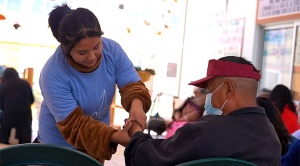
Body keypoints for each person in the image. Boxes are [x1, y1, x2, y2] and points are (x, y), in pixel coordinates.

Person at [36, 3, 151, 164]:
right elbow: (74, 126)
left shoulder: (112, 50)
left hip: (94, 145)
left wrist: (137, 110)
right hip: (59, 150)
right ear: (65, 49)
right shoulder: (53, 74)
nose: (91, 57)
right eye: (82, 53)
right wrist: (115, 136)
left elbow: (132, 85)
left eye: (96, 46)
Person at [122, 56, 281, 166]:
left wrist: (136, 133)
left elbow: (148, 159)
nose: (208, 98)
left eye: (211, 91)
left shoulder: (209, 130)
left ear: (228, 89)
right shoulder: (272, 137)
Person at [0, 68, 34, 144]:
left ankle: (5, 148)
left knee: (4, 135)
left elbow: (1, 104)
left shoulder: (2, 86)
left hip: (9, 113)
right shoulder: (25, 84)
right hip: (25, 114)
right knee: (25, 137)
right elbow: (32, 99)